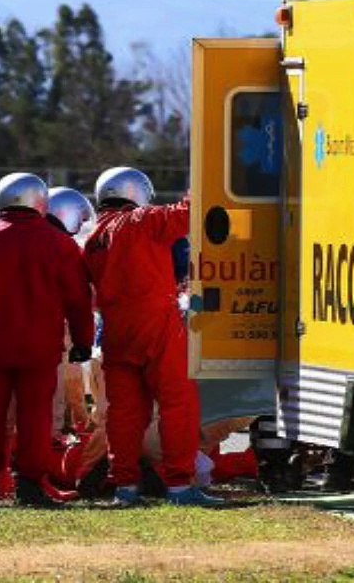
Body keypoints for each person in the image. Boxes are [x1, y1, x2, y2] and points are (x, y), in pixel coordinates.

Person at [0, 173, 95, 506]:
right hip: (39, 348)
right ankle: (30, 484)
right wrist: (84, 341)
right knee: (36, 420)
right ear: (39, 200)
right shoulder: (59, 243)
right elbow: (78, 299)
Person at [83, 166, 222, 507]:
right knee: (178, 404)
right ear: (137, 193)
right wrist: (208, 171)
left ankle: (125, 487)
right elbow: (191, 212)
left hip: (116, 331)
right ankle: (178, 485)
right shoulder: (141, 222)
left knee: (125, 413)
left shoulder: (93, 239)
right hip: (156, 325)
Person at [45, 186, 96, 437]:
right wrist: (83, 341)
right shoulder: (64, 247)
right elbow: (80, 299)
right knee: (50, 406)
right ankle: (46, 465)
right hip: (49, 336)